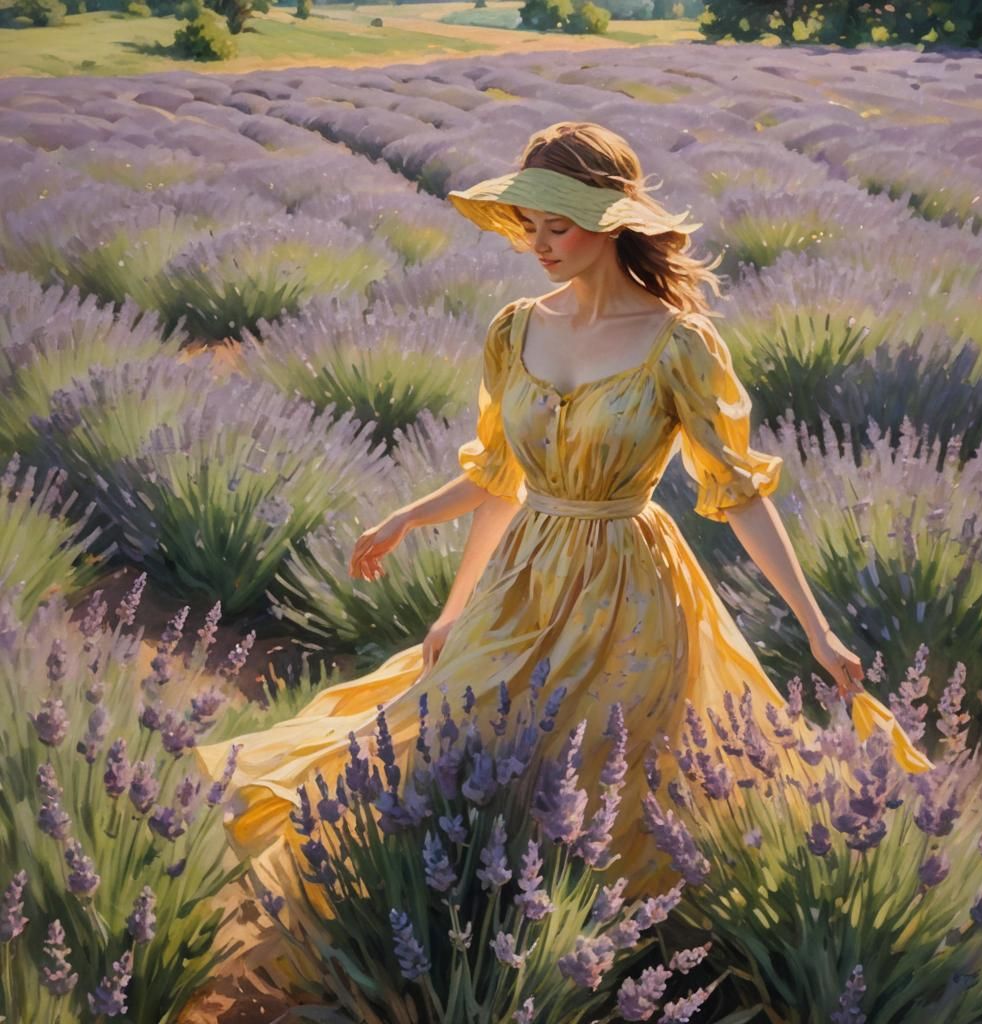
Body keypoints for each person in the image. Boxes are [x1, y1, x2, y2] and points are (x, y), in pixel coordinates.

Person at [194, 121, 930, 951]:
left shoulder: (679, 342)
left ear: (613, 222)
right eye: (530, 226)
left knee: (601, 771)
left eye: (560, 225)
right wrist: (433, 568)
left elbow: (741, 494)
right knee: (453, 732)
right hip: (524, 580)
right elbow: (499, 481)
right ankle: (465, 931)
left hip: (630, 590)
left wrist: (816, 626)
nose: (540, 244)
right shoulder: (514, 328)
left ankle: (609, 949)